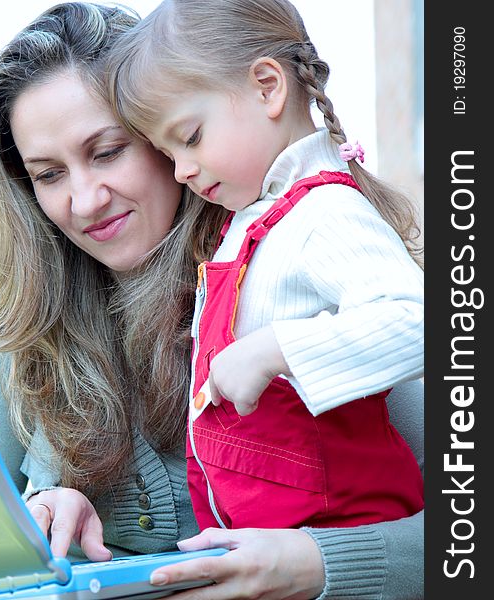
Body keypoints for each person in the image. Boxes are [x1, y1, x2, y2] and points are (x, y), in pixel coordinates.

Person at [0, 3, 424, 598]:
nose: (83, 200)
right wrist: (44, 514)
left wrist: (316, 563)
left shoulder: (298, 269)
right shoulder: (17, 328)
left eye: (107, 151)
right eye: (48, 174)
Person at [105, 0, 423, 533]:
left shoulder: (324, 213)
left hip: (337, 532)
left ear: (268, 87)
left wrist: (274, 349)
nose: (181, 171)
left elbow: (421, 322)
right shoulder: (253, 221)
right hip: (263, 542)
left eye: (189, 137)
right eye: (167, 155)